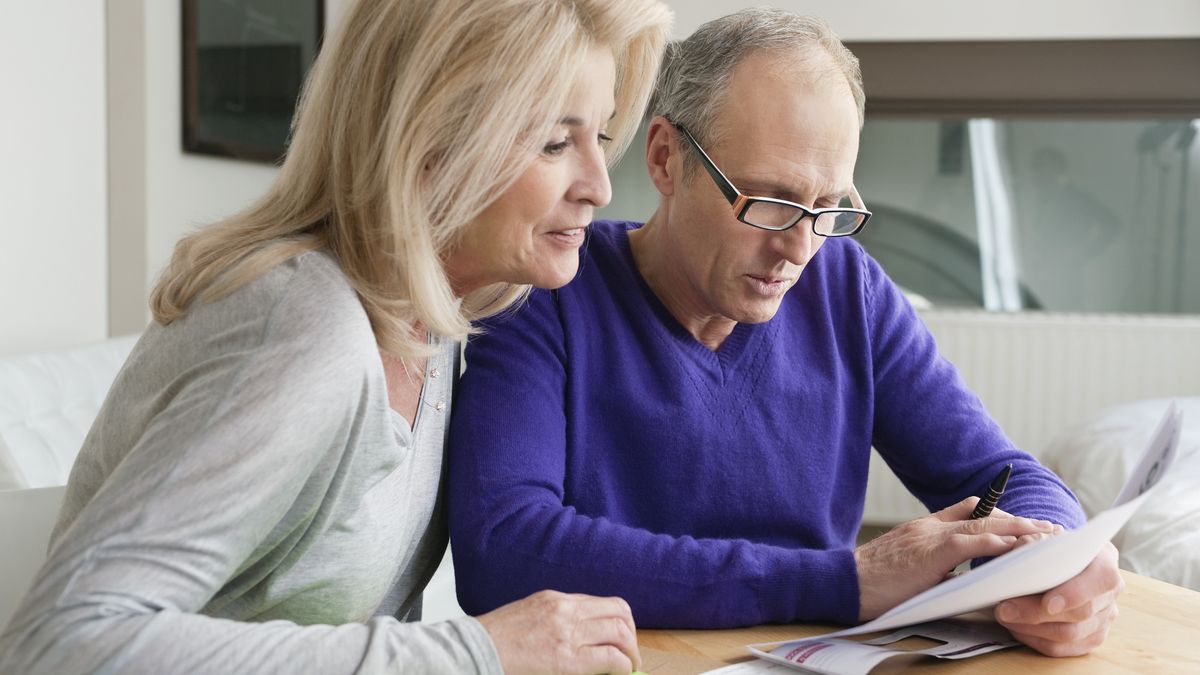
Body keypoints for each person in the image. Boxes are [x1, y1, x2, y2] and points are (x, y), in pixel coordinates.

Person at [0, 0, 670, 673]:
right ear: (431, 143)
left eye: (602, 137)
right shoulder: (305, 330)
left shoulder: (428, 323)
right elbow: (61, 643)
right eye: (557, 142)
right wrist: (471, 653)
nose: (600, 187)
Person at [448, 8, 1123, 659]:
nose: (800, 249)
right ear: (664, 158)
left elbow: (1003, 475)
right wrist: (842, 579)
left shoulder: (846, 287)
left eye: (829, 208)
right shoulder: (542, 289)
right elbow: (504, 548)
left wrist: (1055, 556)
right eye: (771, 201)